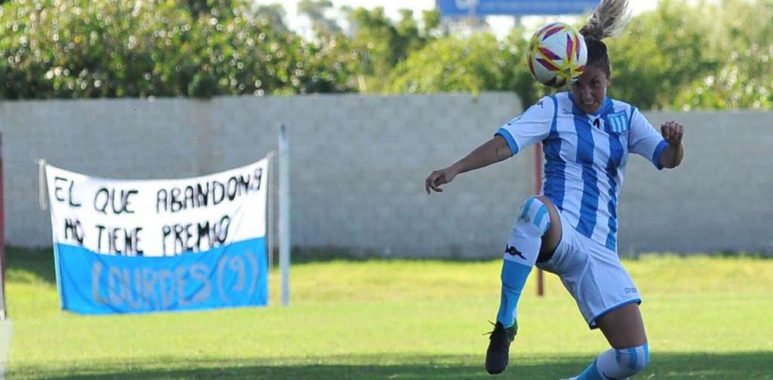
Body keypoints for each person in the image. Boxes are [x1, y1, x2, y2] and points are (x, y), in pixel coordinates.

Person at [424, 0, 684, 377]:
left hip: (599, 249)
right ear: (567, 79)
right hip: (558, 231)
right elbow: (504, 143)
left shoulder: (626, 117)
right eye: (578, 84)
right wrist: (455, 168)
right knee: (534, 209)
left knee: (633, 356)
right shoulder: (554, 109)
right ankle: (505, 322)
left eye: (594, 84)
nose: (587, 94)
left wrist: (675, 142)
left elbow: (667, 159)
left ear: (608, 78)